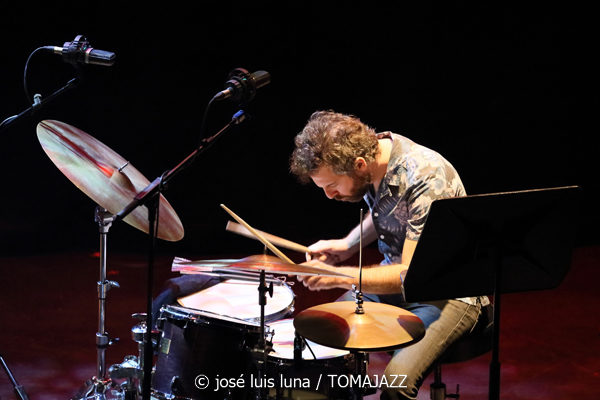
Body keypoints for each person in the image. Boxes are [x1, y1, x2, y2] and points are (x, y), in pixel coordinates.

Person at [290, 110, 489, 400]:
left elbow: (409, 275)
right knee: (321, 342)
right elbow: (390, 208)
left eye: (331, 186)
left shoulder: (426, 176)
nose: (329, 196)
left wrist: (339, 276)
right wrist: (347, 245)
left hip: (447, 293)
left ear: (359, 165)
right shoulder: (374, 155)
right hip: (400, 286)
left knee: (396, 384)